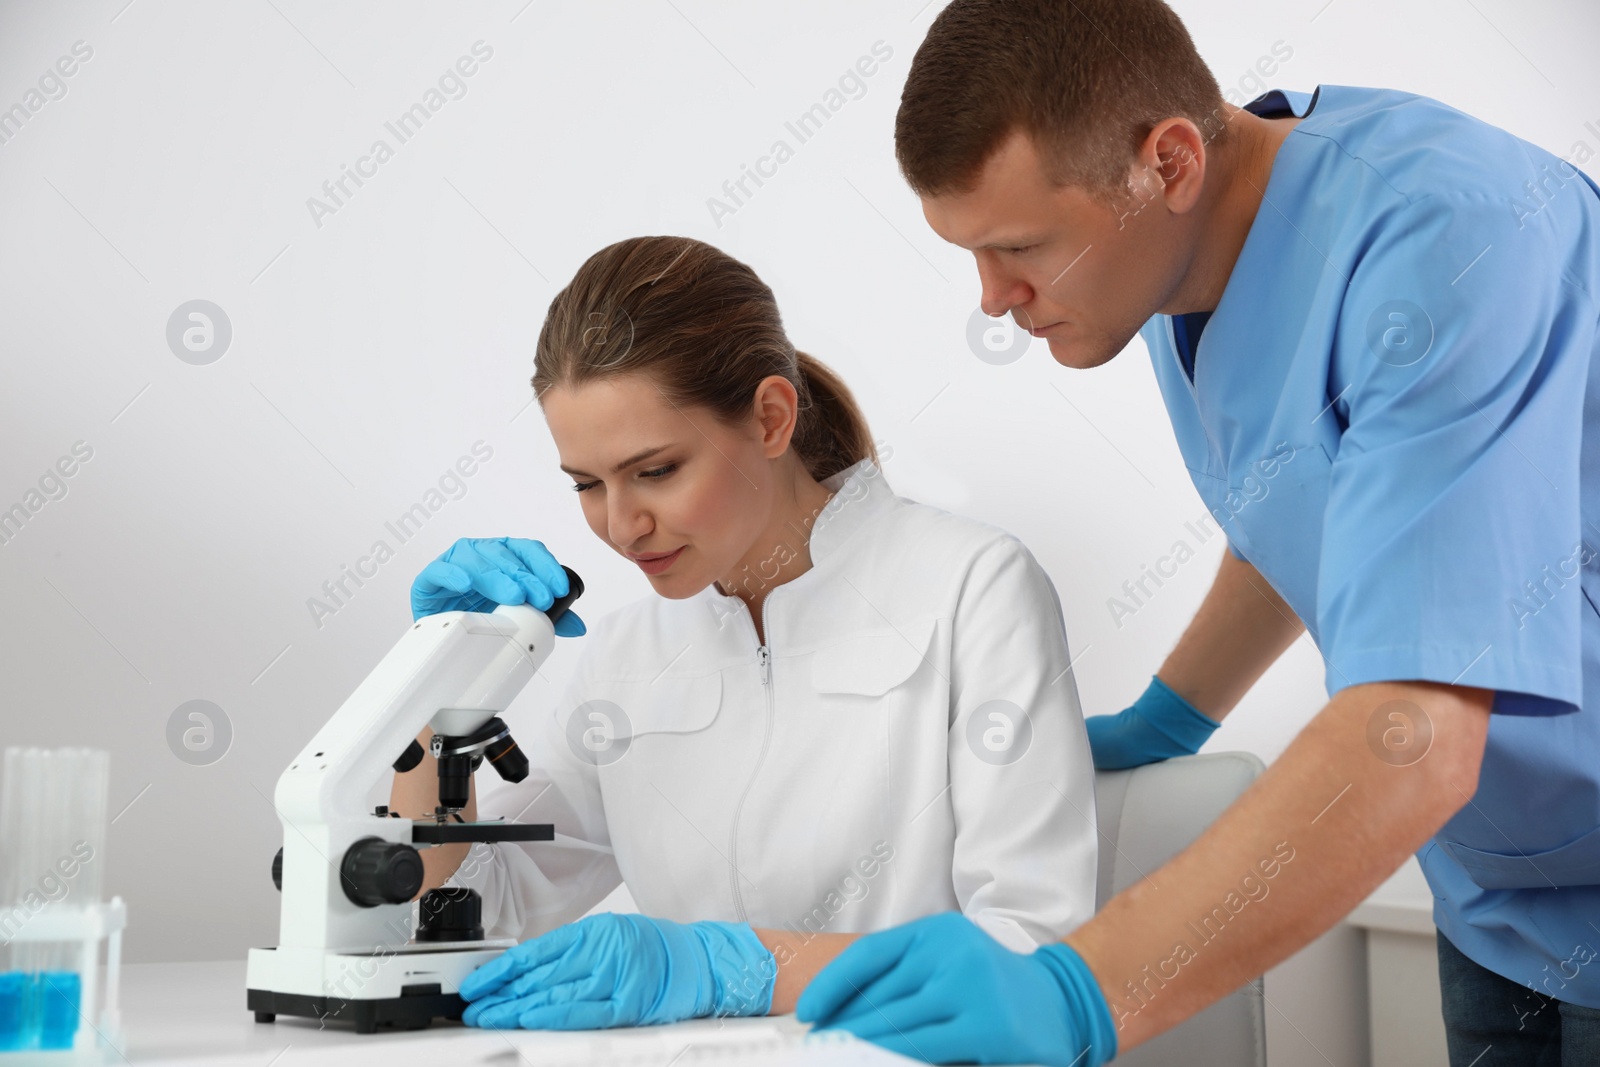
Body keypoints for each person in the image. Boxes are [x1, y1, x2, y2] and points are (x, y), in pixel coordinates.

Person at [794, 2, 1600, 1065]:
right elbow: (1326, 510)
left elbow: (1419, 726)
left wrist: (1082, 994)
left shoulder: (1450, 243)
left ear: (1166, 162)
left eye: (1019, 247)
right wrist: (1166, 720)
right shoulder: (1178, 269)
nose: (993, 300)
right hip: (1498, 893)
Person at [389, 235, 1099, 1029]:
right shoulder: (629, 658)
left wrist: (743, 967)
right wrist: (438, 682)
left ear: (770, 418)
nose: (622, 526)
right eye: (588, 484)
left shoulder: (972, 588)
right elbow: (462, 907)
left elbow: (1033, 950)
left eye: (655, 470)